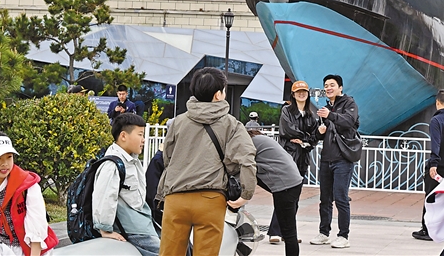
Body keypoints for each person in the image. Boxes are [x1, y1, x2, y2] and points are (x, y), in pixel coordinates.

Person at [156, 67, 256, 256]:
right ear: (218, 94)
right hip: (210, 199)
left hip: (176, 198)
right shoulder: (231, 124)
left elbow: (167, 158)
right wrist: (246, 193)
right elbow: (247, 159)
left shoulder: (178, 122)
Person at [92, 113, 160, 256]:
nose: (143, 139)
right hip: (133, 230)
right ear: (123, 136)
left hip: (143, 223)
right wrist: (105, 229)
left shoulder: (132, 160)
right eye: (140, 134)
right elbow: (104, 198)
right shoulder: (112, 164)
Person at [310, 74, 360, 249]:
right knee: (325, 199)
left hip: (343, 159)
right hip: (327, 158)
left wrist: (330, 115)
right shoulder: (325, 108)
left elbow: (349, 122)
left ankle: (343, 236)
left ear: (340, 88)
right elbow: (318, 134)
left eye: (332, 85)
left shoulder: (349, 103)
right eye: (326, 85)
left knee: (341, 198)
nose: (328, 88)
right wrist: (320, 132)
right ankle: (324, 233)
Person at [269, 80, 318, 244]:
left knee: (294, 198)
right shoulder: (286, 111)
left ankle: (287, 233)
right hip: (288, 158)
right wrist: (307, 138)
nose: (301, 94)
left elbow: (315, 137)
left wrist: (305, 140)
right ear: (293, 94)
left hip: (302, 159)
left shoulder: (311, 116)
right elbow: (287, 131)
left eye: (304, 91)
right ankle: (275, 231)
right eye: (298, 92)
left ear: (308, 94)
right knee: (284, 195)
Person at [412, 89, 444, 242]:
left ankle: (428, 229)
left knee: (431, 197)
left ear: (437, 102)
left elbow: (436, 144)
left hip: (439, 166)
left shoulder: (436, 120)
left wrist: (433, 163)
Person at [248, 129, 303, 256]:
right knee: (289, 232)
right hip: (294, 181)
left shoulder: (251, 143)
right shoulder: (262, 139)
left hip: (285, 186)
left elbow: (246, 167)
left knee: (289, 233)